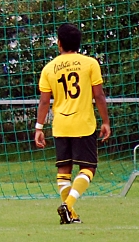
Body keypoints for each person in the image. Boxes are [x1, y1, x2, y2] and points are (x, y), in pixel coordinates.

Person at [35, 23, 111, 224]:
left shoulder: (49, 68)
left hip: (60, 125)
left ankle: (71, 215)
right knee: (88, 168)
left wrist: (39, 127)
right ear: (78, 43)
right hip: (83, 124)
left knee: (63, 170)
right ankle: (68, 205)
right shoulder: (90, 64)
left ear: (59, 43)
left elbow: (44, 101)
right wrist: (106, 121)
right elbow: (99, 95)